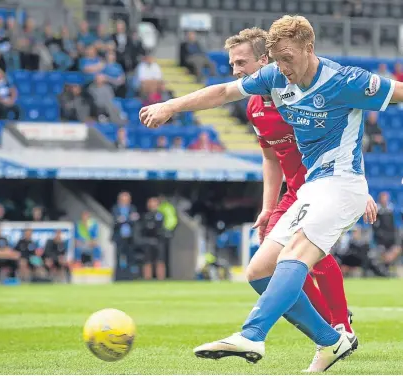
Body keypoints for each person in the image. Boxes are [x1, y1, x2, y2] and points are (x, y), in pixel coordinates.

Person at [139, 15, 402, 372]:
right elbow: (222, 92)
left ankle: (252, 333)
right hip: (310, 188)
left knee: (296, 254)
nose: (283, 68)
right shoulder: (275, 76)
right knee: (259, 271)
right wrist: (171, 106)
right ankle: (332, 341)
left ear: (309, 49)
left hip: (342, 183)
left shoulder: (346, 80)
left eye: (289, 58)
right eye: (277, 59)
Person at [221, 26, 377, 343]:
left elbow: (341, 137)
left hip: (326, 186)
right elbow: (271, 158)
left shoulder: (297, 91)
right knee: (271, 263)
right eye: (233, 66)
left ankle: (339, 327)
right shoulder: (254, 108)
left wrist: (362, 191)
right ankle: (328, 328)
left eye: (241, 63)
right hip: (294, 192)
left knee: (307, 254)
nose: (237, 71)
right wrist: (267, 207)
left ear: (265, 60)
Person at [138, 197, 165, 280]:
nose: (152, 205)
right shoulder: (146, 215)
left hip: (158, 240)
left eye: (154, 203)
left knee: (160, 260)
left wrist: (152, 227)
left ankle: (161, 278)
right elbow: (144, 227)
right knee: (147, 261)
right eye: (150, 203)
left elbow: (158, 227)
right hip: (148, 240)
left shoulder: (160, 215)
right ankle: (147, 278)